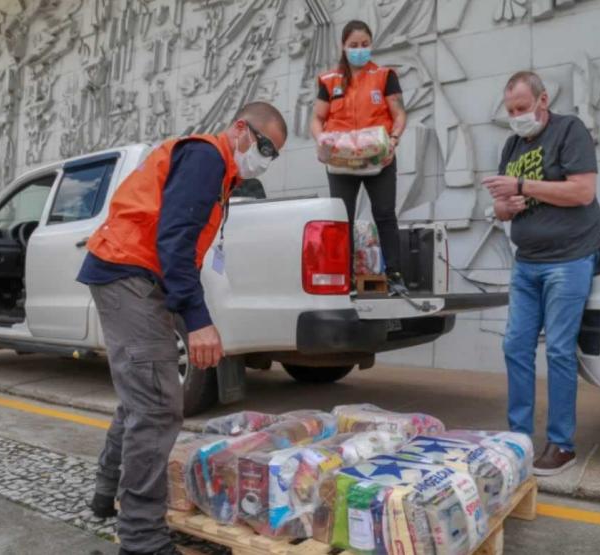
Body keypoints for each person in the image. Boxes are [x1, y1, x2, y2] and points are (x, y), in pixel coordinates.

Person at [77, 102, 287, 555]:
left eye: (274, 153)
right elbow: (174, 237)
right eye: (264, 145)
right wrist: (198, 321)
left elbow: (180, 248)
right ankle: (142, 540)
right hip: (128, 271)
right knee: (156, 405)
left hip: (134, 272)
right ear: (239, 129)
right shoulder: (209, 157)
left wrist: (197, 313)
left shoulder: (219, 175)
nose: (265, 158)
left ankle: (106, 492)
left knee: (144, 389)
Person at [484, 71, 600, 477]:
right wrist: (505, 206)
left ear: (543, 99)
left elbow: (583, 191)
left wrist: (523, 185)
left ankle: (561, 444)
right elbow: (501, 207)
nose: (517, 116)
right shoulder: (512, 144)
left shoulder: (571, 131)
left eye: (522, 107)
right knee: (515, 346)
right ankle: (518, 438)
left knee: (558, 350)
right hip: (528, 262)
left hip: (569, 259)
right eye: (511, 110)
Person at [310, 20, 408, 295]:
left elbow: (399, 113)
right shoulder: (329, 81)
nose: (360, 50)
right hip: (341, 162)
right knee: (343, 220)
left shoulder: (384, 75)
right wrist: (322, 141)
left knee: (385, 214)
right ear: (344, 46)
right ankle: (345, 279)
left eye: (365, 45)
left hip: (379, 158)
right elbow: (317, 118)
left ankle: (395, 277)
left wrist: (394, 139)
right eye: (354, 45)